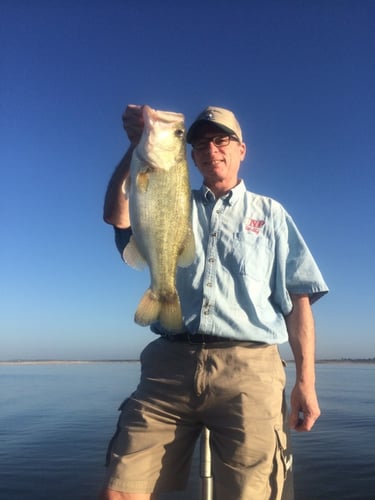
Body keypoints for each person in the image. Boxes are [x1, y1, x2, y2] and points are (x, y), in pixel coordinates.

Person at [101, 105, 329, 500]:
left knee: (251, 494)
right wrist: (136, 148)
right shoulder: (169, 193)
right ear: (191, 156)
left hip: (249, 370)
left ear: (242, 149)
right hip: (167, 368)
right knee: (120, 491)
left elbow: (299, 300)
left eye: (222, 139)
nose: (211, 149)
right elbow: (116, 217)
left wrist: (306, 383)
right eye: (201, 143)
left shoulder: (271, 214)